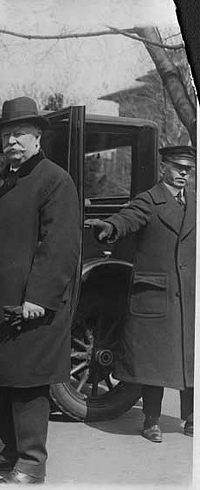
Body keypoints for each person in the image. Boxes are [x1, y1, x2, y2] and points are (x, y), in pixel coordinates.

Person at [0, 96, 81, 485]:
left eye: (20, 134)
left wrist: (38, 299)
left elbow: (59, 246)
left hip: (28, 305)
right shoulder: (6, 178)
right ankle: (11, 451)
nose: (12, 141)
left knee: (27, 384)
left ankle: (31, 464)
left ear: (38, 138)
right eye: (7, 134)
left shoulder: (54, 180)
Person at [85, 145, 195, 443]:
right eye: (177, 167)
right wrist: (109, 227)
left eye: (188, 168)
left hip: (189, 294)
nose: (183, 173)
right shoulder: (150, 199)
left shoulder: (196, 203)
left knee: (191, 358)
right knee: (154, 362)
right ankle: (152, 420)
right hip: (157, 293)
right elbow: (127, 218)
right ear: (163, 168)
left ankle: (191, 417)